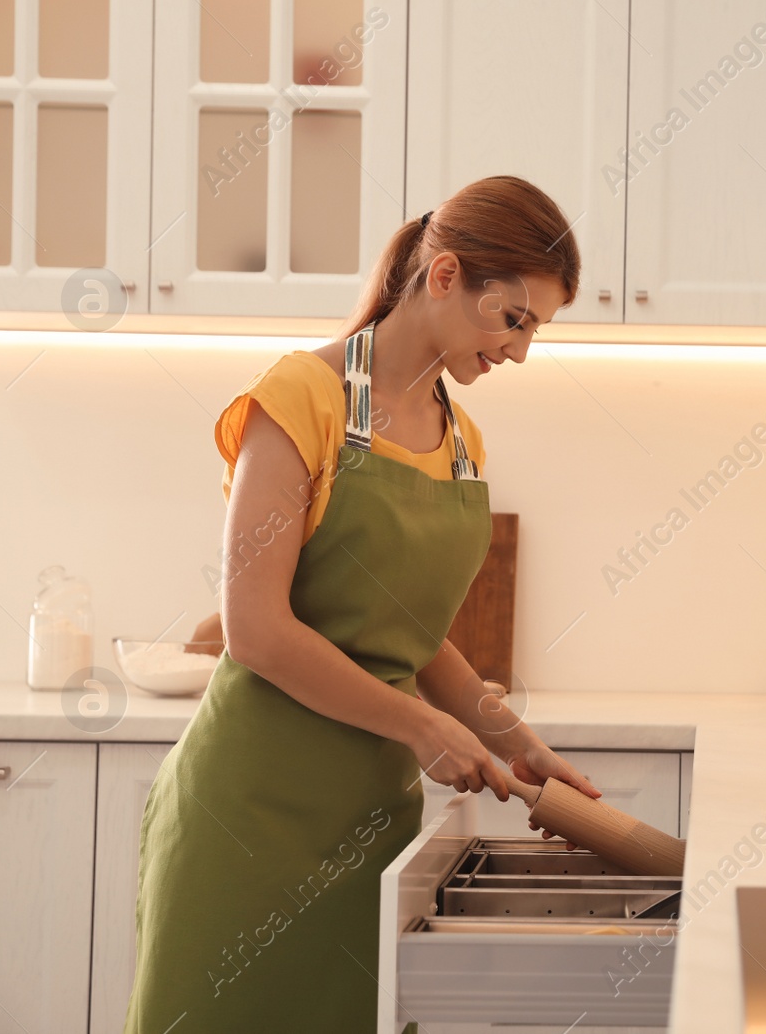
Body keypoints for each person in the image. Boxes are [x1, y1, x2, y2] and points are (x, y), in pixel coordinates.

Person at [125, 176, 600, 1032]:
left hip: (372, 834)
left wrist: (516, 742)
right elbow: (257, 629)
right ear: (447, 274)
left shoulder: (461, 440)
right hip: (247, 819)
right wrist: (422, 728)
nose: (523, 351)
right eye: (516, 318)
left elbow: (415, 641)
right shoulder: (299, 398)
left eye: (540, 330)